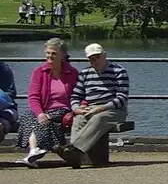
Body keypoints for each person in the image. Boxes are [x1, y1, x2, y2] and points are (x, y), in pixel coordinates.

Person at [69, 43, 129, 167]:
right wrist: (76, 108)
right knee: (78, 119)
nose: (94, 61)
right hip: (90, 107)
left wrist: (102, 108)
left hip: (114, 110)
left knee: (99, 118)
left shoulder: (119, 71)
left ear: (104, 55)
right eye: (91, 58)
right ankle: (73, 154)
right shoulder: (84, 73)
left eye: (97, 57)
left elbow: (122, 98)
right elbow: (75, 96)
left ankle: (74, 151)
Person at [23, 39, 80, 167]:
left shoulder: (72, 72)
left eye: (53, 53)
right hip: (44, 110)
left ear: (62, 55)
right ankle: (34, 151)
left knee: (49, 119)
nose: (49, 56)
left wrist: (78, 108)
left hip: (65, 110)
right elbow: (33, 96)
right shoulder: (39, 72)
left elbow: (79, 94)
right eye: (47, 53)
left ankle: (37, 151)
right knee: (29, 117)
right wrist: (39, 113)